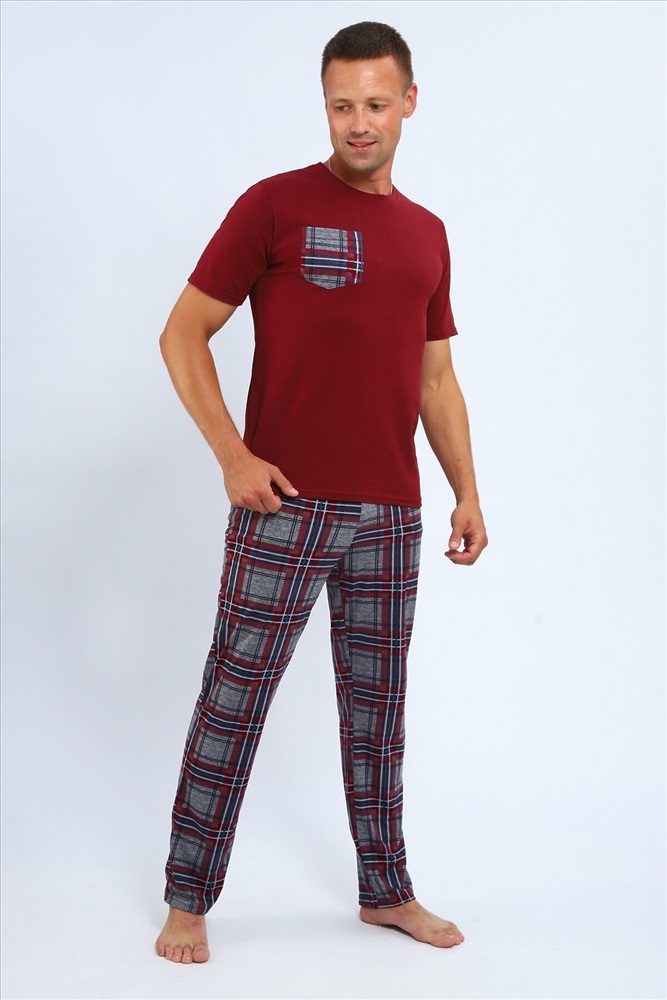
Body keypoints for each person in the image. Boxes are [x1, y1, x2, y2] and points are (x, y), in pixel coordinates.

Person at [155, 20, 487, 964]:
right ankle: (187, 898)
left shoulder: (427, 234)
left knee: (378, 712)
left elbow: (434, 379)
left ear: (409, 102)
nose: (358, 122)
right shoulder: (274, 205)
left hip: (391, 513)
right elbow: (182, 332)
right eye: (342, 105)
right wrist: (232, 455)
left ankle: (386, 890)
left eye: (376, 103)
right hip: (283, 504)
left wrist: (466, 491)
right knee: (233, 698)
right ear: (325, 106)